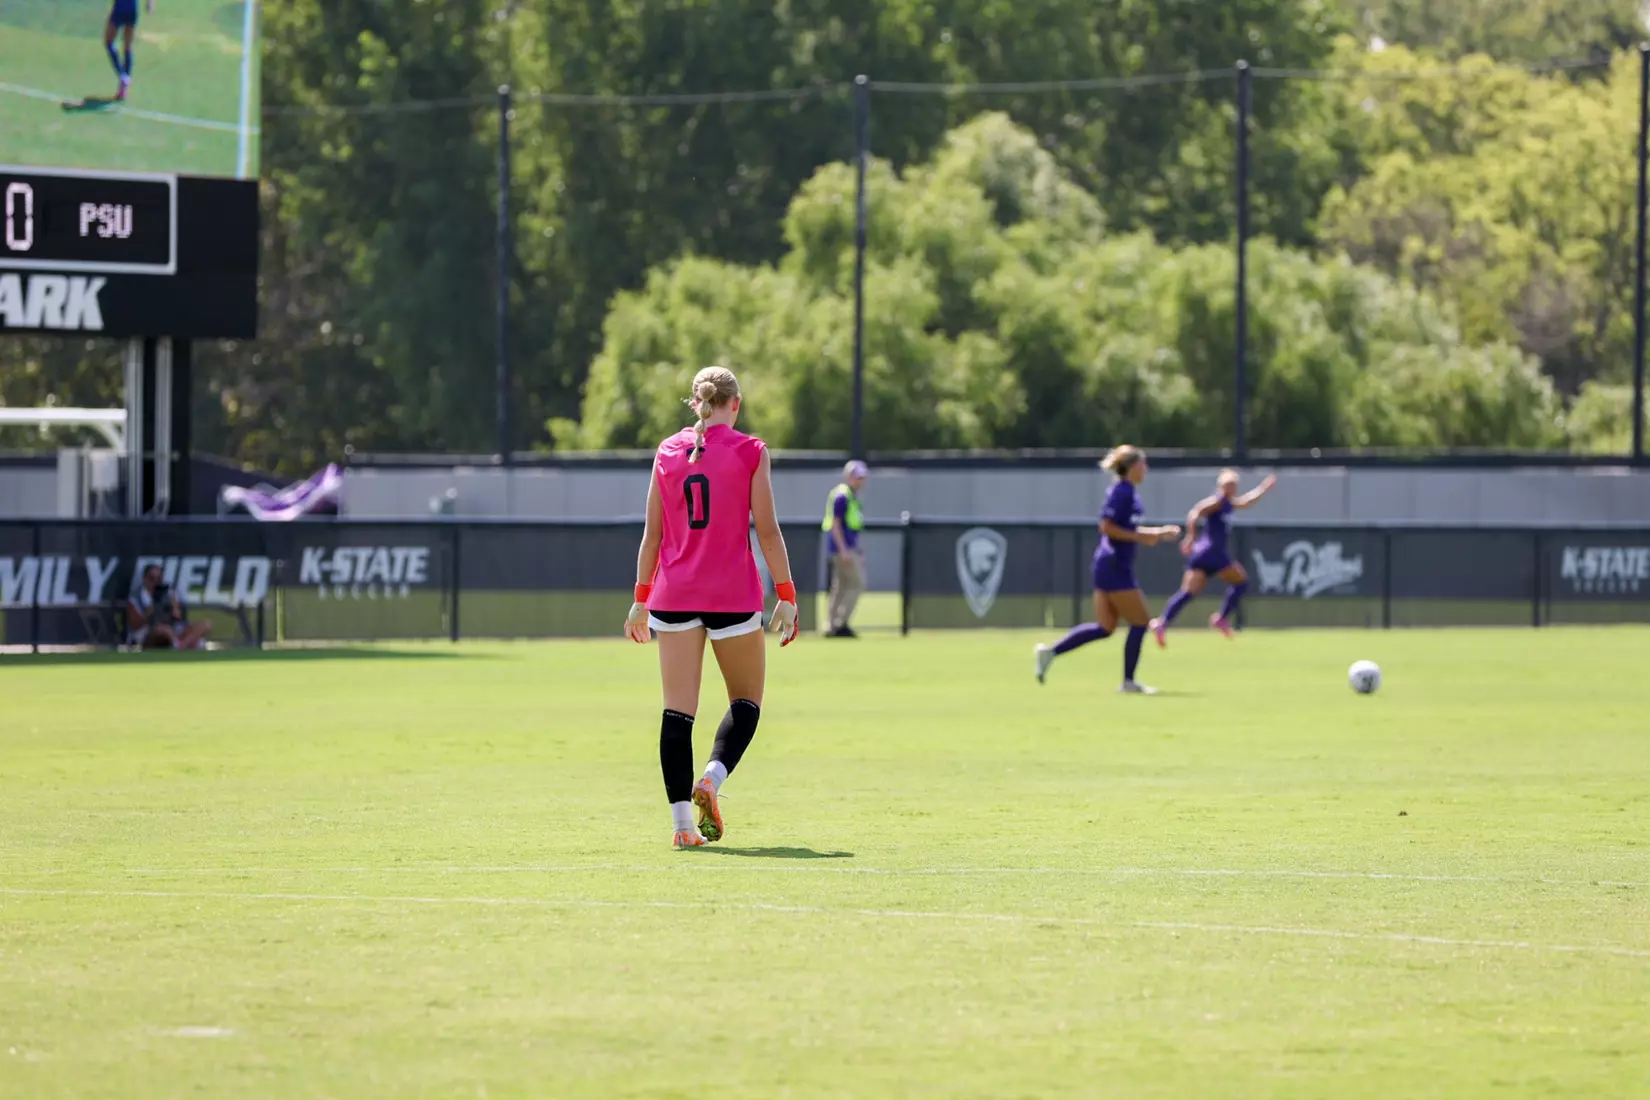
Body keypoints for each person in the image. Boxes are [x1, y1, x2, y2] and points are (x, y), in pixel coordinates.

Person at [626, 366, 800, 850]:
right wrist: (786, 593)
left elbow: (651, 539)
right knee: (746, 704)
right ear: (735, 404)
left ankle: (683, 828)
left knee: (676, 713)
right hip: (732, 595)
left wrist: (641, 601)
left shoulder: (666, 452)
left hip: (674, 594)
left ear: (694, 403)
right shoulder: (750, 451)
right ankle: (711, 780)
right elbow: (767, 531)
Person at [1034, 446, 1180, 694]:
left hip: (1110, 565)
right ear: (1132, 467)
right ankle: (1128, 682)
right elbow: (1107, 527)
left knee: (1105, 627)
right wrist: (1144, 536)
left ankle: (1050, 652)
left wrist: (1156, 534)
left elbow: (1128, 530)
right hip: (1114, 566)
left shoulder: (1130, 493)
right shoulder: (1121, 492)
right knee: (1141, 622)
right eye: (1143, 464)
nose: (1146, 469)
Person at [1151, 471, 1277, 645]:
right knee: (1241, 581)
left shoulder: (1228, 504)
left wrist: (1264, 488)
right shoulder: (1217, 502)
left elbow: (1248, 501)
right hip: (1212, 553)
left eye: (1234, 485)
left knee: (1188, 592)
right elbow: (1195, 512)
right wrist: (1191, 537)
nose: (1232, 488)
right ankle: (1221, 618)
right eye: (1228, 485)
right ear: (1221, 486)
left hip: (1206, 554)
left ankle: (1162, 623)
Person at [822, 460, 868, 638]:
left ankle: (831, 625)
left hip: (846, 548)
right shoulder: (843, 496)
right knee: (857, 583)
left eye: (862, 477)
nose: (861, 481)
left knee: (840, 586)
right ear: (849, 477)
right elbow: (836, 524)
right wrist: (844, 550)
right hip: (843, 549)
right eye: (858, 477)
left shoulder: (851, 495)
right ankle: (840, 623)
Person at [126, 565, 211, 650]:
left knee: (205, 624)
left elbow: (179, 618)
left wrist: (175, 609)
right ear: (145, 579)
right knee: (164, 630)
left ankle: (182, 645)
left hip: (172, 627)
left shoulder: (170, 593)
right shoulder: (136, 598)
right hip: (149, 631)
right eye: (152, 578)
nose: (155, 581)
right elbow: (134, 625)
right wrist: (149, 612)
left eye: (158, 578)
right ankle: (179, 645)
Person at [104, 0, 153, 101]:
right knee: (128, 46)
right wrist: (149, 3)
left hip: (120, 7)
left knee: (109, 41)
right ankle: (123, 89)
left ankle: (122, 75)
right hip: (132, 8)